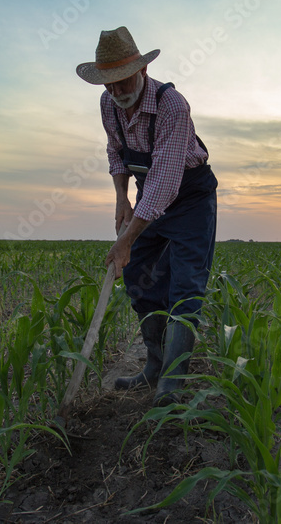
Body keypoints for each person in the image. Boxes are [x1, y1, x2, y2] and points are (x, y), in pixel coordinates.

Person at [76, 26, 217, 405]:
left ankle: (171, 385)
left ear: (141, 71)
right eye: (110, 86)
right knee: (139, 277)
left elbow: (166, 183)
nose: (119, 93)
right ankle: (153, 366)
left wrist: (125, 239)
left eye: (123, 82)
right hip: (146, 194)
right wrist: (121, 196)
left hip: (188, 196)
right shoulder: (110, 106)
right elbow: (115, 151)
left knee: (185, 287)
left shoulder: (172, 106)